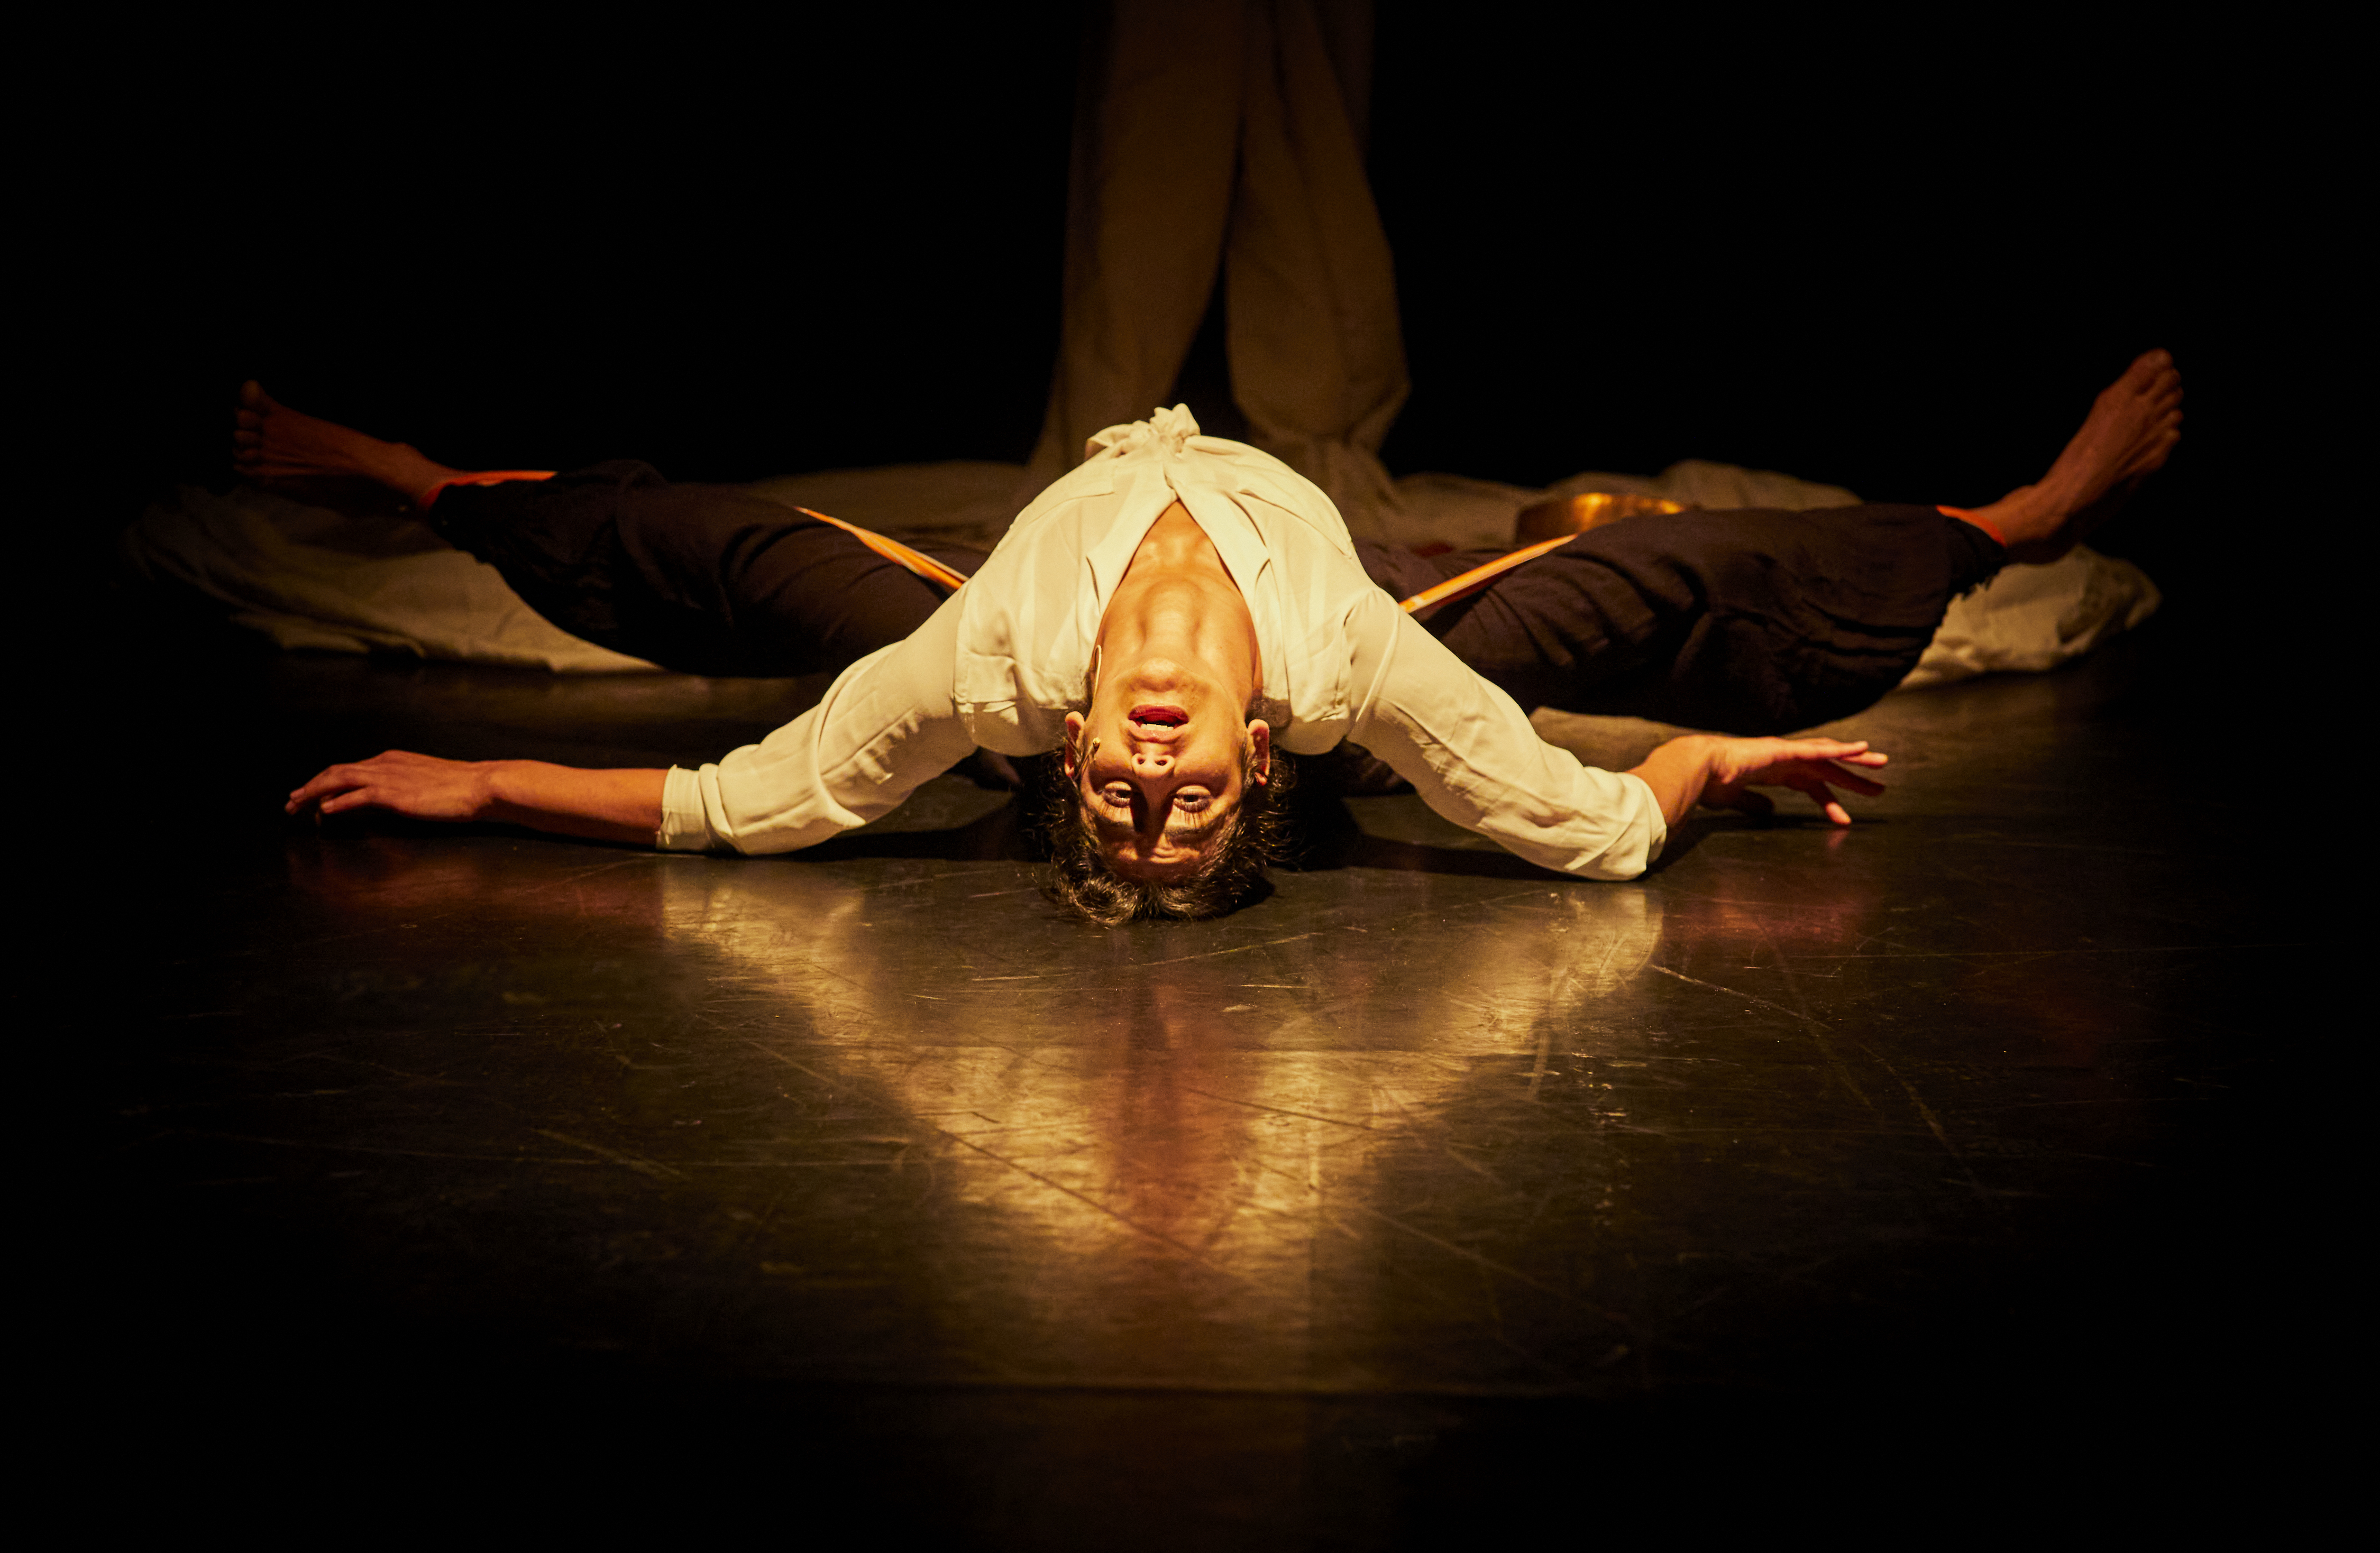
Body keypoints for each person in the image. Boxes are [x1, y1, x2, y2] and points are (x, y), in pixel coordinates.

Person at [257, 351, 2183, 921]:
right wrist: (1713, 764)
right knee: (1680, 575)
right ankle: (2014, 523)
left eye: (1119, 807)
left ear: (1072, 760)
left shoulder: (979, 678)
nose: (1153, 785)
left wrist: (482, 782)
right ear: (1263, 760)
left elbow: (730, 809)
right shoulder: (1361, 678)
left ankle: (406, 473)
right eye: (1189, 815)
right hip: (1354, 600)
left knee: (702, 549)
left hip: (1000, 587)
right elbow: (1598, 836)